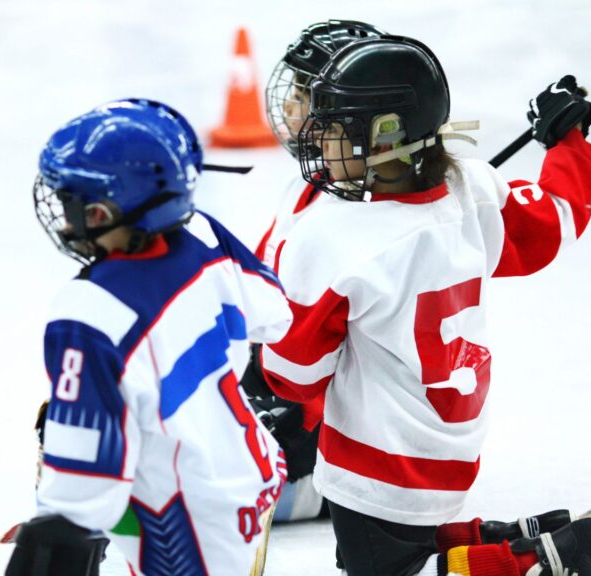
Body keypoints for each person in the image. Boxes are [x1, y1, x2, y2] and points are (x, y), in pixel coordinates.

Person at [254, 35, 591, 575]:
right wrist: (569, 143)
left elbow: (292, 373)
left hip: (376, 462)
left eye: (334, 129)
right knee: (394, 547)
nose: (319, 142)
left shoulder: (331, 233)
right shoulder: (473, 188)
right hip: (449, 445)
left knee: (393, 569)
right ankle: (530, 537)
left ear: (383, 136)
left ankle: (550, 559)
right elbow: (555, 221)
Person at [3, 99, 293, 576]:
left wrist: (48, 543)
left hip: (186, 520)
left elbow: (80, 495)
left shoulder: (89, 315)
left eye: (72, 200)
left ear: (103, 212)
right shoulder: (201, 233)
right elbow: (274, 314)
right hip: (248, 472)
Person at [252, 18, 385, 524]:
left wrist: (290, 413)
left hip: (328, 441)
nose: (286, 108)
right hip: (285, 391)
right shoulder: (308, 187)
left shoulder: (364, 218)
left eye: (304, 96)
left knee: (184, 480)